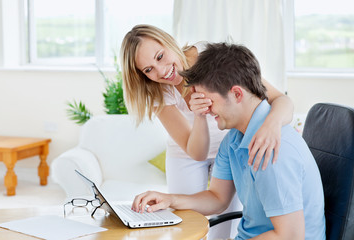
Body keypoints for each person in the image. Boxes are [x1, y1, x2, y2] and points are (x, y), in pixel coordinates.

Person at [132, 42, 326, 240]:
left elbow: (290, 236)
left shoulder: (270, 149)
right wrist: (169, 199)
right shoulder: (233, 140)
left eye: (210, 101)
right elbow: (218, 198)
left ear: (237, 94)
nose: (206, 110)